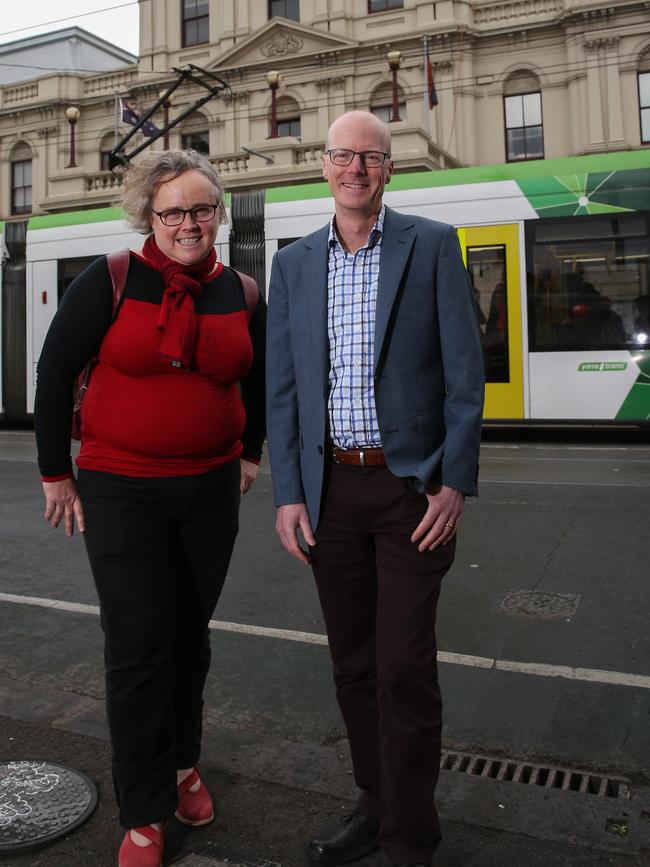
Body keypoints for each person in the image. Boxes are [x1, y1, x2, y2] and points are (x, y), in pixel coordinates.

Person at [34, 149, 266, 867]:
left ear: (218, 215)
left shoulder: (244, 292)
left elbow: (256, 379)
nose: (189, 223)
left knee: (190, 639)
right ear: (149, 216)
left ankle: (180, 764)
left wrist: (249, 451)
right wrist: (55, 475)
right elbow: (54, 372)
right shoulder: (109, 280)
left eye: (201, 209)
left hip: (209, 490)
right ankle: (142, 811)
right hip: (121, 487)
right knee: (138, 649)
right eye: (173, 212)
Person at [266, 111, 484, 867]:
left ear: (389, 170)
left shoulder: (430, 246)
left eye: (371, 157)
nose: (357, 168)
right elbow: (284, 392)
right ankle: (375, 799)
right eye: (343, 156)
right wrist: (288, 494)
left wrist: (454, 482)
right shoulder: (292, 265)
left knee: (402, 666)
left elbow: (464, 376)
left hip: (408, 492)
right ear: (323, 167)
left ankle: (409, 840)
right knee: (353, 664)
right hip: (330, 494)